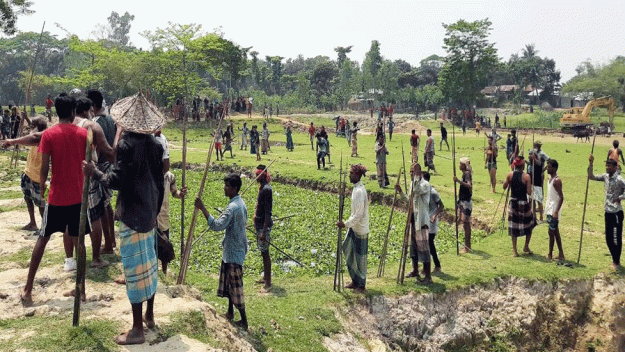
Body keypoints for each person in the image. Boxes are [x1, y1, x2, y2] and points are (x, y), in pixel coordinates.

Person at [83, 94, 165, 345]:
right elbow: (160, 182)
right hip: (150, 213)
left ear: (125, 122)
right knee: (149, 267)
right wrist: (155, 210)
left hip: (132, 215)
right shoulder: (156, 145)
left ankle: (137, 329)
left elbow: (116, 180)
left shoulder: (128, 146)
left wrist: (94, 172)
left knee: (133, 270)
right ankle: (149, 316)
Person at [21, 94, 91, 306]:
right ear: (72, 112)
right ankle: (82, 289)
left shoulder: (49, 135)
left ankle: (27, 289)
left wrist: (42, 188)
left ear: (57, 111)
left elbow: (43, 169)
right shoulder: (83, 134)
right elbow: (89, 161)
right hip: (78, 196)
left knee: (43, 238)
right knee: (80, 242)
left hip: (57, 197)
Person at [195, 174, 249, 330]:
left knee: (236, 286)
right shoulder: (239, 202)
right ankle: (230, 312)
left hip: (234, 251)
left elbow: (217, 225)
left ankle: (244, 321)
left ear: (233, 189)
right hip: (235, 248)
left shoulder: (233, 208)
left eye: (227, 186)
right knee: (229, 283)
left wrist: (203, 208)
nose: (224, 188)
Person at [3, 117, 48, 232]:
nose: (31, 127)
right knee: (28, 198)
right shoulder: (34, 135)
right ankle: (33, 223)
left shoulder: (43, 138)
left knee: (41, 205)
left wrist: (13, 141)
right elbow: (30, 135)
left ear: (39, 127)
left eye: (33, 125)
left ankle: (45, 227)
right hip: (28, 173)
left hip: (38, 177)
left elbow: (33, 137)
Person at [87, 89, 117, 255]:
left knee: (101, 207)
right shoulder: (110, 119)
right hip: (109, 165)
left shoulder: (95, 122)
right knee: (107, 204)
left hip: (100, 167)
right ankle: (111, 240)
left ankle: (107, 243)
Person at [395, 163, 432, 283]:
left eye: (414, 172)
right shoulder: (412, 184)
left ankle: (428, 276)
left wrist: (416, 178)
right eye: (411, 172)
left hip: (421, 221)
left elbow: (417, 190)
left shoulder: (425, 185)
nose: (412, 174)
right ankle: (415, 270)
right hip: (413, 219)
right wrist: (401, 192)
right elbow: (409, 201)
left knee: (424, 248)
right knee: (413, 247)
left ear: (419, 172)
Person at [588, 155, 625, 270]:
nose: (607, 168)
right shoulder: (605, 177)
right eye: (606, 166)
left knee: (616, 238)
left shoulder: (620, 179)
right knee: (608, 239)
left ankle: (616, 262)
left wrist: (620, 197)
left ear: (615, 167)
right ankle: (614, 259)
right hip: (607, 212)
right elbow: (591, 177)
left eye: (609, 166)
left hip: (616, 213)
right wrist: (591, 163)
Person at [337, 164, 369, 293]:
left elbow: (359, 214)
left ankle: (361, 285)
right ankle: (355, 280)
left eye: (351, 173)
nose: (350, 175)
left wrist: (345, 224)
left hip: (360, 228)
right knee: (347, 248)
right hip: (353, 227)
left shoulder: (360, 191)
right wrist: (348, 224)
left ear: (357, 175)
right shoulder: (356, 189)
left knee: (360, 258)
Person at [503, 157, 535, 257]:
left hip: (513, 202)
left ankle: (514, 250)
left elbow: (504, 186)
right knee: (530, 223)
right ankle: (526, 246)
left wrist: (509, 180)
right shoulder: (526, 177)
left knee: (513, 226)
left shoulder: (510, 175)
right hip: (523, 203)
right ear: (523, 165)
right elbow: (529, 192)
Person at [254, 165, 273, 291]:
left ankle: (268, 282)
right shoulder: (262, 188)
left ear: (261, 176)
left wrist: (264, 232)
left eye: (256, 175)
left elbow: (267, 212)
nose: (255, 177)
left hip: (264, 226)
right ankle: (265, 278)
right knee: (263, 252)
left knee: (265, 253)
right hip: (260, 224)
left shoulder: (266, 190)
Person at [544, 159, 564, 262]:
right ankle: (561, 254)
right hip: (549, 208)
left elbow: (561, 197)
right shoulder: (549, 179)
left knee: (551, 232)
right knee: (555, 232)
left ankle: (550, 254)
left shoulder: (557, 181)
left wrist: (556, 211)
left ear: (555, 168)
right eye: (547, 166)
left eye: (550, 166)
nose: (548, 168)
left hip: (554, 210)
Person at [424, 172, 443, 272]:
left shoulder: (433, 192)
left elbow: (441, 206)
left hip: (432, 221)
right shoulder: (423, 192)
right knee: (426, 243)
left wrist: (435, 215)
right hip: (425, 220)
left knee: (429, 243)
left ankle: (437, 265)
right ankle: (428, 267)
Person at [453, 157, 473, 253]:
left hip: (466, 202)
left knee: (466, 224)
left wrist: (458, 181)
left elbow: (469, 185)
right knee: (465, 224)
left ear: (464, 165)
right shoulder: (465, 174)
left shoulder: (467, 174)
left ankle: (467, 246)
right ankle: (467, 246)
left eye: (460, 164)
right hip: (462, 201)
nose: (459, 165)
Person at [529, 141, 549, 222]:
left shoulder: (540, 162)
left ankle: (541, 217)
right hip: (531, 179)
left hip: (538, 181)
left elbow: (540, 164)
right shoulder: (532, 162)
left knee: (539, 200)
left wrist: (543, 170)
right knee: (532, 199)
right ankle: (534, 216)